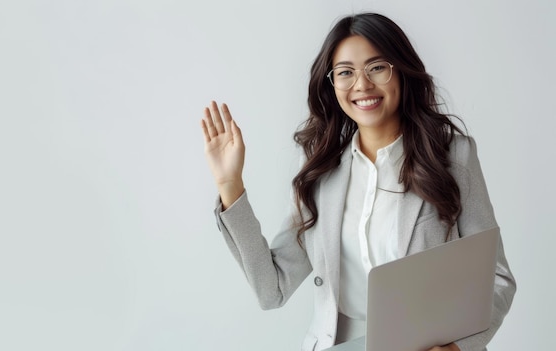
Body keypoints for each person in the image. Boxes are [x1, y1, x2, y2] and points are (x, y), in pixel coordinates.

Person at [200, 12, 515, 351]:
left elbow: (497, 279)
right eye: (346, 73)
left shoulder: (453, 157)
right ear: (331, 84)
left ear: (401, 72)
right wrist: (230, 185)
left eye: (377, 67)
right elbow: (271, 290)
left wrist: (457, 348)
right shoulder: (322, 175)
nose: (362, 85)